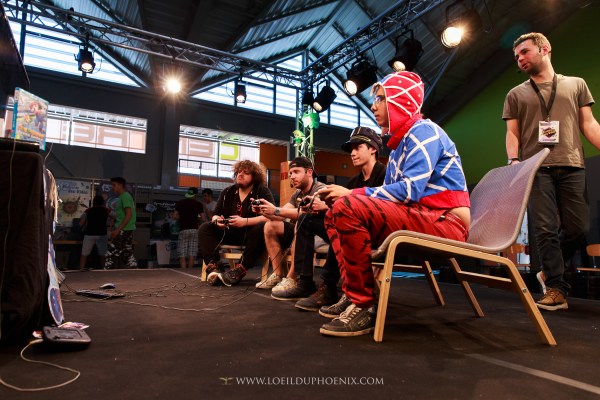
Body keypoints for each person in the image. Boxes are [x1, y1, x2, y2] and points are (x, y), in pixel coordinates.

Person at [318, 71, 471, 337]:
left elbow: (410, 191)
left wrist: (351, 194)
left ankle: (363, 304)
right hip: (424, 217)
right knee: (333, 214)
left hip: (448, 222)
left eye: (380, 98)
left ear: (401, 100)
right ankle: (354, 294)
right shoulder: (400, 144)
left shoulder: (424, 131)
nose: (373, 106)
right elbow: (390, 196)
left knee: (346, 206)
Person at [503, 32, 600, 311]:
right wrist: (513, 159)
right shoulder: (515, 94)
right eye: (516, 56)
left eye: (524, 52)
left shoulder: (576, 85)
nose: (520, 59)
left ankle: (547, 271)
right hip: (535, 168)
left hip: (572, 164)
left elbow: (589, 124)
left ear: (544, 49)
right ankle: (556, 289)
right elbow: (512, 132)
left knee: (578, 229)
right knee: (544, 229)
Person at [276, 127, 386, 308]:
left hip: (375, 232)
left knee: (341, 225)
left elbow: (384, 209)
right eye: (351, 149)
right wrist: (325, 206)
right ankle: (304, 281)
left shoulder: (385, 175)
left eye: (358, 147)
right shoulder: (353, 181)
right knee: (305, 219)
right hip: (352, 228)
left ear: (373, 149)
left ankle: (328, 286)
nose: (352, 153)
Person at [253, 156, 326, 294]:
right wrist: (265, 211)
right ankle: (277, 275)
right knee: (270, 226)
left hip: (318, 233)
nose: (292, 176)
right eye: (291, 173)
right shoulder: (297, 193)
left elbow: (306, 213)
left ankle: (292, 278)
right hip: (302, 230)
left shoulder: (320, 189)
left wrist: (275, 210)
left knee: (301, 222)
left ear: (309, 172)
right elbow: (280, 214)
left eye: (296, 172)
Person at [202, 160, 274, 286]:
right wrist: (217, 220)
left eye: (246, 172)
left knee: (263, 227)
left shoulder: (262, 191)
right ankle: (214, 267)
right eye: (239, 172)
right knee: (205, 227)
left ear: (254, 176)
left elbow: (271, 217)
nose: (240, 174)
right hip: (230, 232)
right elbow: (216, 214)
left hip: (252, 237)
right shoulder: (227, 192)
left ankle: (240, 269)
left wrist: (245, 221)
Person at [105, 177, 137, 269]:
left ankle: (106, 272)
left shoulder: (125, 196)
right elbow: (122, 215)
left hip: (124, 229)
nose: (112, 187)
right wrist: (113, 223)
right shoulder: (121, 198)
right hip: (126, 229)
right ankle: (134, 270)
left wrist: (118, 230)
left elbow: (129, 215)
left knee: (111, 253)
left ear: (121, 185)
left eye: (114, 185)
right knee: (126, 254)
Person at [174, 187, 204, 269]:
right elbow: (203, 218)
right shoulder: (198, 204)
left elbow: (175, 216)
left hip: (183, 229)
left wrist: (182, 217)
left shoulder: (180, 203)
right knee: (192, 252)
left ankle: (183, 270)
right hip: (194, 230)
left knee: (182, 253)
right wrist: (195, 218)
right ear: (196, 195)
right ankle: (190, 271)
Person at [79, 194, 111, 270]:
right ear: (102, 202)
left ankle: (81, 268)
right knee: (103, 254)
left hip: (89, 234)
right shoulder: (107, 210)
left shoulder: (88, 211)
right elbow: (116, 217)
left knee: (84, 253)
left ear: (93, 202)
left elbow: (81, 223)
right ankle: (104, 269)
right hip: (102, 234)